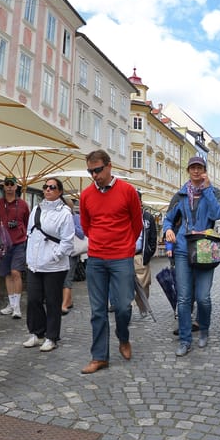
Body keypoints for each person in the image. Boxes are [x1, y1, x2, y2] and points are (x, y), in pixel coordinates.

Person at [79, 149, 144, 374]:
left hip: (121, 257)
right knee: (97, 310)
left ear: (109, 166)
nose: (94, 175)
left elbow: (137, 224)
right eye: (90, 171)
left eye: (97, 170)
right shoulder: (86, 195)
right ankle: (100, 357)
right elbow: (86, 225)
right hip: (96, 257)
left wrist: (125, 246)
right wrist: (98, 242)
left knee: (124, 306)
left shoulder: (127, 191)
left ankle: (123, 337)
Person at [162, 156, 220, 356]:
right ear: (188, 171)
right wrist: (167, 230)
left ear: (205, 171)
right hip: (182, 247)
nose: (196, 171)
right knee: (184, 298)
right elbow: (168, 218)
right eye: (192, 168)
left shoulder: (214, 192)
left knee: (203, 297)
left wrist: (206, 190)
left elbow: (218, 214)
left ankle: (204, 328)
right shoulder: (180, 195)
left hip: (206, 247)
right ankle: (185, 339)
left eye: (199, 168)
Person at [22, 177, 74, 352]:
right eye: (45, 187)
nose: (48, 190)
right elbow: (30, 235)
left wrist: (54, 255)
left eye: (52, 187)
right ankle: (37, 333)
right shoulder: (36, 209)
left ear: (59, 191)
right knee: (33, 299)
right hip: (34, 263)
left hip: (54, 265)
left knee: (52, 301)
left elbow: (67, 241)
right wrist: (29, 257)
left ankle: (52, 336)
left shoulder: (65, 213)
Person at [0, 176, 30, 319]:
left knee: (16, 272)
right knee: (7, 274)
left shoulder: (22, 204)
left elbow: (27, 222)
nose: (9, 186)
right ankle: (11, 303)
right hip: (3, 243)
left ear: (16, 187)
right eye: (7, 184)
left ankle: (17, 306)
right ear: (4, 186)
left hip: (19, 242)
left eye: (12, 184)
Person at [133, 192, 158, 318]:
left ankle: (142, 305)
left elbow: (153, 237)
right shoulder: (123, 215)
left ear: (140, 201)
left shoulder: (148, 217)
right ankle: (125, 308)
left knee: (144, 286)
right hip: (125, 256)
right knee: (124, 286)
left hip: (140, 256)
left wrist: (148, 252)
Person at [62, 199, 84, 315]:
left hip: (72, 252)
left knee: (67, 278)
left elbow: (81, 234)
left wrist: (70, 225)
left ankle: (64, 304)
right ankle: (68, 301)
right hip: (60, 252)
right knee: (62, 278)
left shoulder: (76, 218)